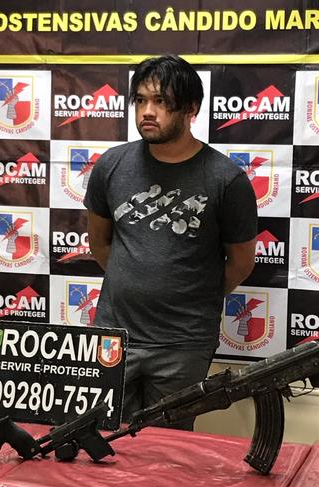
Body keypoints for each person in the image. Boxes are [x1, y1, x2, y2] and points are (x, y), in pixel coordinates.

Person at [84, 55, 257, 429]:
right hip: (114, 336)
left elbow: (242, 263)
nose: (148, 111)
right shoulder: (111, 166)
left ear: (191, 109)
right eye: (141, 100)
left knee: (167, 451)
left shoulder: (226, 180)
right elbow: (99, 242)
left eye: (161, 101)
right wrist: (136, 278)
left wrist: (189, 292)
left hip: (183, 344)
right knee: (99, 441)